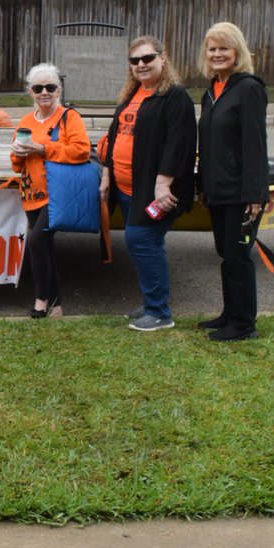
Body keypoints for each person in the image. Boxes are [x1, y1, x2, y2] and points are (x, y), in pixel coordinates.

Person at [99, 35, 196, 332]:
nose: (141, 64)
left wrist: (163, 184)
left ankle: (159, 312)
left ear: (162, 59)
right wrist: (107, 173)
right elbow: (115, 136)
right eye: (135, 60)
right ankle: (152, 301)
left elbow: (180, 144)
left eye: (147, 58)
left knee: (140, 241)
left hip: (153, 191)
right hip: (126, 188)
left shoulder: (175, 97)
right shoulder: (133, 94)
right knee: (148, 244)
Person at [196, 22, 268, 341]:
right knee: (226, 254)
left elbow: (255, 144)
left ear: (237, 51)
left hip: (242, 194)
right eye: (212, 48)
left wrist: (255, 194)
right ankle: (230, 313)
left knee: (238, 255)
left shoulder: (249, 89)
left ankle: (243, 324)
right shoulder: (211, 92)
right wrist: (202, 187)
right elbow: (208, 145)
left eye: (223, 48)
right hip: (218, 192)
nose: (217, 54)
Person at [10, 63, 91, 319]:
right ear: (30, 92)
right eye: (38, 88)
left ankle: (41, 300)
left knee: (36, 241)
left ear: (58, 90)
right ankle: (56, 305)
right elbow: (16, 165)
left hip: (58, 195)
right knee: (45, 248)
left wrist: (43, 148)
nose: (44, 92)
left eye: (50, 87)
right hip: (31, 193)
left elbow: (81, 151)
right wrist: (19, 153)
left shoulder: (69, 117)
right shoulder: (25, 122)